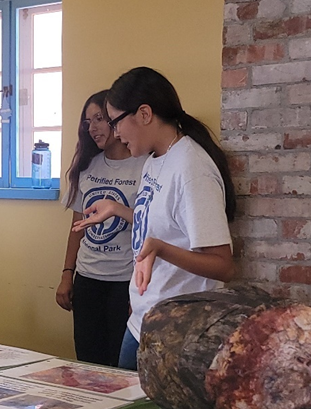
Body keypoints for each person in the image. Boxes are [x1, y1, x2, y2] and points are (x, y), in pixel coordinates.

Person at [77, 67, 236, 370]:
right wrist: (118, 209)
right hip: (143, 319)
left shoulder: (192, 169)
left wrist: (161, 249)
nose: (115, 132)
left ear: (145, 114)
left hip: (177, 330)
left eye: (116, 121)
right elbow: (162, 225)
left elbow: (223, 266)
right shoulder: (154, 159)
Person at [56, 90, 146, 366]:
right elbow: (77, 226)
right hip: (88, 279)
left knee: (121, 364)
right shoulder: (86, 166)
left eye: (99, 119)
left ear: (117, 120)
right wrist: (67, 274)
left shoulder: (144, 165)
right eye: (88, 122)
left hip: (126, 281)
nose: (92, 128)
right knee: (88, 363)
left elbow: (153, 225)